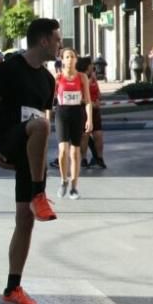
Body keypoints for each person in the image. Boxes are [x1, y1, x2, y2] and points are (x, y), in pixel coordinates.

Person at [0, 18, 61, 304]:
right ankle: (39, 194)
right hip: (9, 138)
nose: (59, 45)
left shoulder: (48, 79)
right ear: (43, 41)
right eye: (57, 40)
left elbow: (46, 117)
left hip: (32, 149)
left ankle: (13, 287)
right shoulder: (9, 69)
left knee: (24, 221)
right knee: (39, 126)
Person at [53, 48, 93, 199]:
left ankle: (74, 186)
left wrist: (89, 119)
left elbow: (88, 100)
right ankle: (64, 180)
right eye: (67, 57)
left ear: (76, 60)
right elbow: (49, 100)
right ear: (62, 60)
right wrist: (46, 117)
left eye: (72, 57)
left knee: (75, 152)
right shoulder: (57, 77)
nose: (70, 60)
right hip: (62, 113)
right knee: (63, 150)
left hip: (77, 113)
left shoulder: (82, 77)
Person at [77, 57, 106, 170]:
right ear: (85, 66)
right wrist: (92, 103)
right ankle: (83, 159)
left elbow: (98, 93)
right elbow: (80, 94)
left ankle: (99, 158)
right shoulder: (79, 77)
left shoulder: (93, 78)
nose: (92, 67)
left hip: (95, 109)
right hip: (84, 109)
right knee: (85, 135)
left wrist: (97, 101)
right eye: (90, 65)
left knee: (97, 134)